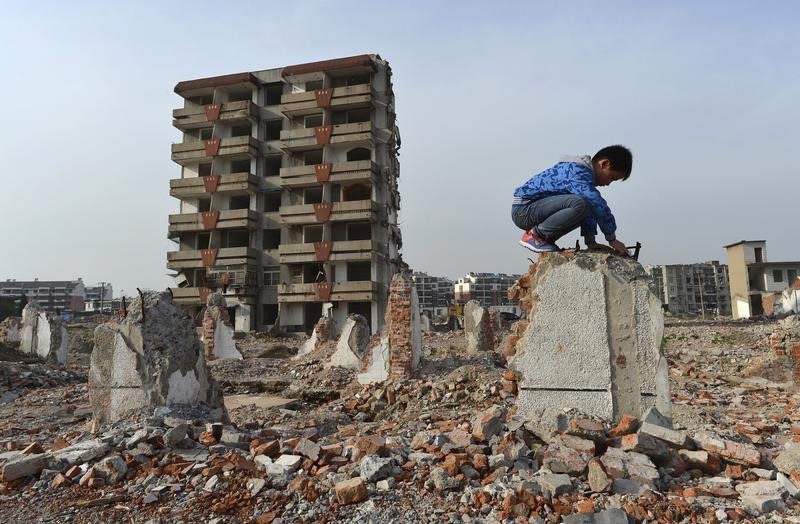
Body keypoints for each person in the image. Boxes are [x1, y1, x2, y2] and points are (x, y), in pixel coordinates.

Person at [511, 145, 632, 254]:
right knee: (580, 203)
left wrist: (591, 242)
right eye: (611, 178)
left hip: (535, 210)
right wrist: (612, 238)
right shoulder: (576, 172)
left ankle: (545, 239)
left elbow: (590, 209)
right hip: (524, 210)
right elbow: (596, 202)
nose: (608, 183)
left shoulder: (583, 177)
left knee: (584, 204)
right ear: (605, 164)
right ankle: (536, 237)